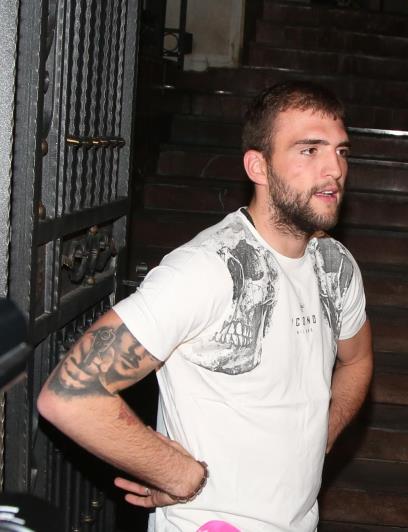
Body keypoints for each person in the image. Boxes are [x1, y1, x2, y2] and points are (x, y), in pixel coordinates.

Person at [37, 81, 373, 532]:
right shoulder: (205, 269)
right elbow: (69, 396)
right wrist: (179, 475)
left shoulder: (335, 265)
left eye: (341, 151)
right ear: (258, 166)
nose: (334, 168)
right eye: (309, 150)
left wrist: (321, 435)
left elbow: (358, 359)